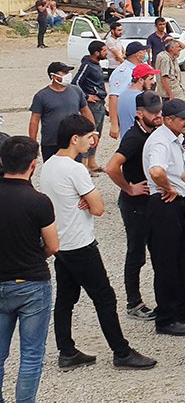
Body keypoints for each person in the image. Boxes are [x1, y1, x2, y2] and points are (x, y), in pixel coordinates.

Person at [40, 114, 156, 371]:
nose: (93, 141)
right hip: (80, 243)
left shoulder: (49, 165)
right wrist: (87, 200)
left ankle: (66, 350)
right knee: (104, 297)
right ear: (74, 139)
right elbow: (99, 208)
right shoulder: (75, 169)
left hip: (62, 242)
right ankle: (121, 351)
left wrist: (84, 200)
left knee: (66, 298)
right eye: (89, 136)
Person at [0, 136, 62, 403]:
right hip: (31, 282)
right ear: (33, 164)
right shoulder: (38, 201)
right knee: (31, 354)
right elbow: (53, 245)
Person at [144, 99, 185, 337]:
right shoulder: (160, 141)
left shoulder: (173, 139)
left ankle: (184, 305)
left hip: (177, 204)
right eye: (183, 119)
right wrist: (168, 187)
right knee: (167, 263)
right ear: (168, 120)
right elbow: (156, 170)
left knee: (183, 258)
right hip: (164, 205)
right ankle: (166, 317)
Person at [103, 90, 164, 321]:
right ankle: (133, 303)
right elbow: (110, 167)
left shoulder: (154, 131)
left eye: (159, 110)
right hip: (135, 204)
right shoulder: (134, 137)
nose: (158, 115)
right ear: (139, 113)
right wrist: (129, 187)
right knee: (136, 254)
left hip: (150, 202)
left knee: (159, 250)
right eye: (152, 112)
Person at [29, 62, 92, 161]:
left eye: (68, 72)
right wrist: (33, 143)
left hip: (73, 141)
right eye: (64, 72)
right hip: (51, 142)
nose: (68, 75)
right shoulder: (41, 96)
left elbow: (86, 112)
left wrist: (92, 132)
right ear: (53, 76)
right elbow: (34, 120)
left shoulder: (76, 91)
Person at [73, 40, 109, 173]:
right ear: (96, 53)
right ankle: (83, 164)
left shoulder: (97, 65)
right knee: (89, 133)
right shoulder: (87, 66)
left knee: (97, 133)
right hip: (91, 105)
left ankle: (92, 162)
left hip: (100, 104)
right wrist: (86, 96)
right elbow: (75, 82)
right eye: (104, 50)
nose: (107, 53)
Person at [108, 41, 148, 139]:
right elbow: (113, 97)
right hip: (127, 115)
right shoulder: (123, 72)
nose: (146, 53)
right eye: (143, 51)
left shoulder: (135, 69)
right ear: (137, 55)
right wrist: (114, 124)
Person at [115, 63, 160, 141]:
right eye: (150, 79)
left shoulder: (122, 95)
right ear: (141, 80)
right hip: (139, 140)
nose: (153, 82)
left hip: (126, 140)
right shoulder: (142, 98)